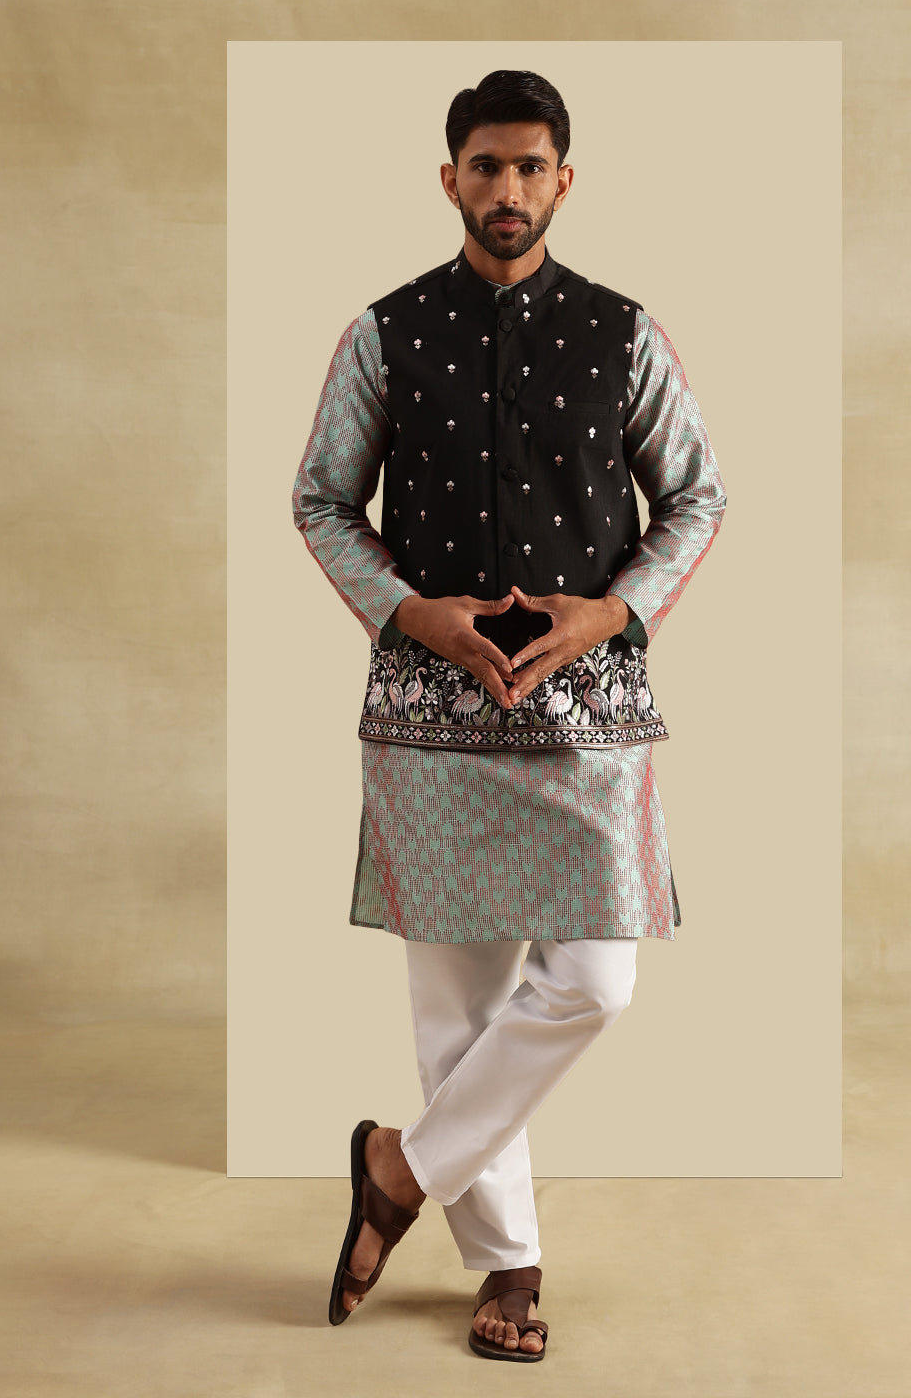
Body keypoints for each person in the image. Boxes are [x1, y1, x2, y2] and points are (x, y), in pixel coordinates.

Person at [291, 68, 727, 1362]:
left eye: (531, 166)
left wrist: (614, 612)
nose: (507, 187)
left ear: (563, 182)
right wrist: (410, 612)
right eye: (485, 164)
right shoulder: (384, 334)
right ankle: (508, 1268)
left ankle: (398, 1168)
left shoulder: (624, 334)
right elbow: (322, 500)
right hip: (433, 711)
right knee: (460, 1015)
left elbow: (696, 496)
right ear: (451, 179)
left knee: (596, 981)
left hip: (586, 705)